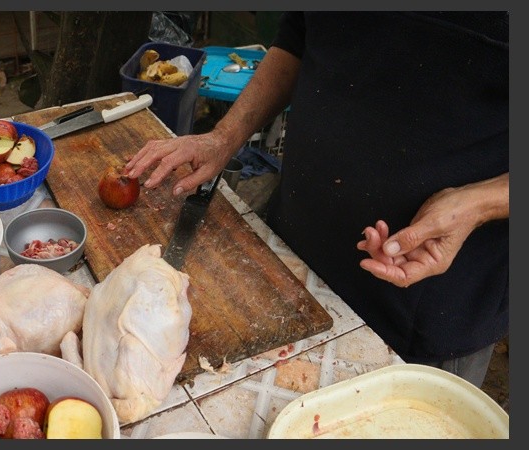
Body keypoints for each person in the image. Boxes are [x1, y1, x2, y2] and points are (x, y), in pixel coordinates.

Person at [124, 11, 508, 387]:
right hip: (288, 258)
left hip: (426, 306)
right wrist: (224, 137)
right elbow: (299, 37)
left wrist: (478, 203)